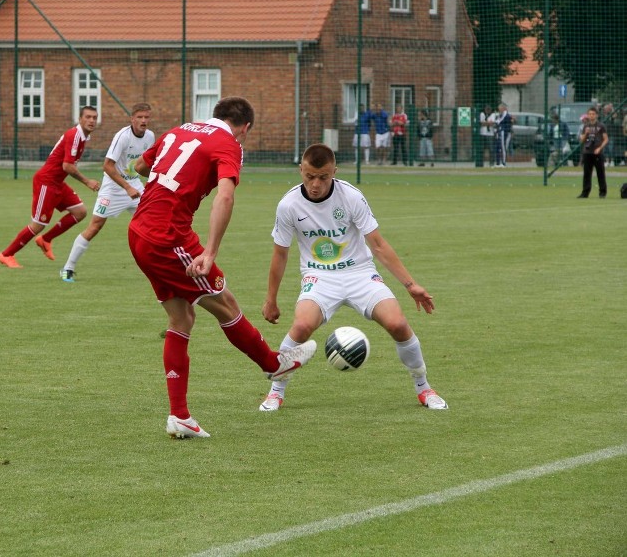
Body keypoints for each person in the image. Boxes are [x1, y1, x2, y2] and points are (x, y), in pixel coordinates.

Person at [128, 96, 318, 439]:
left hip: (139, 232)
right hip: (168, 235)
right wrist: (211, 252)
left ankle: (180, 416)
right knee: (225, 302)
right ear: (245, 127)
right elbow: (225, 196)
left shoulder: (179, 129)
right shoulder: (228, 143)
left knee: (181, 318)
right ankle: (273, 364)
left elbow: (140, 167)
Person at [258, 143, 447, 412]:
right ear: (300, 170)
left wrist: (410, 284)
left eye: (323, 177)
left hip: (359, 273)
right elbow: (280, 254)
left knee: (398, 324)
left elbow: (378, 244)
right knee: (300, 328)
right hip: (319, 277)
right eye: (309, 176)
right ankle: (276, 392)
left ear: (334, 172)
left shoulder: (351, 197)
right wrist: (271, 299)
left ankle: (424, 387)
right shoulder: (288, 204)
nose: (315, 184)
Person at [58, 103, 155, 282]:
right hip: (112, 187)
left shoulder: (149, 137)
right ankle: (68, 268)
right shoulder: (123, 137)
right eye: (139, 117)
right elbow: (107, 166)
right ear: (132, 119)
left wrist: (154, 181)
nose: (143, 121)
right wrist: (127, 187)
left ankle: (157, 267)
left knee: (153, 223)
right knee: (95, 226)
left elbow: (145, 165)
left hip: (134, 184)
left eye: (146, 117)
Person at [0, 106, 100, 268]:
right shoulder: (75, 135)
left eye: (94, 117)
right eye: (88, 117)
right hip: (46, 182)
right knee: (38, 224)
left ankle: (46, 240)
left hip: (57, 183)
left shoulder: (82, 137)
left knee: (80, 212)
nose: (92, 120)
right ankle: (7, 254)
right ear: (80, 119)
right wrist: (87, 181)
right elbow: (67, 166)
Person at [577, 106, 608, 198]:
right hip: (587, 152)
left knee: (600, 173)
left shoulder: (601, 126)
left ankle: (602, 192)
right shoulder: (585, 126)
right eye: (590, 114)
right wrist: (586, 133)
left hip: (597, 153)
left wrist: (599, 148)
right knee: (587, 174)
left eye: (593, 114)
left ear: (597, 115)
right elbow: (582, 140)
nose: (591, 116)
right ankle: (585, 192)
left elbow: (606, 139)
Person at [494, 103, 513, 168]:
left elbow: (498, 122)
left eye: (500, 108)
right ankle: (498, 163)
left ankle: (503, 163)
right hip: (500, 132)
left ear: (503, 108)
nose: (499, 109)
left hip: (505, 133)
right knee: (498, 148)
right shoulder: (500, 115)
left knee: (503, 147)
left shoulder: (506, 115)